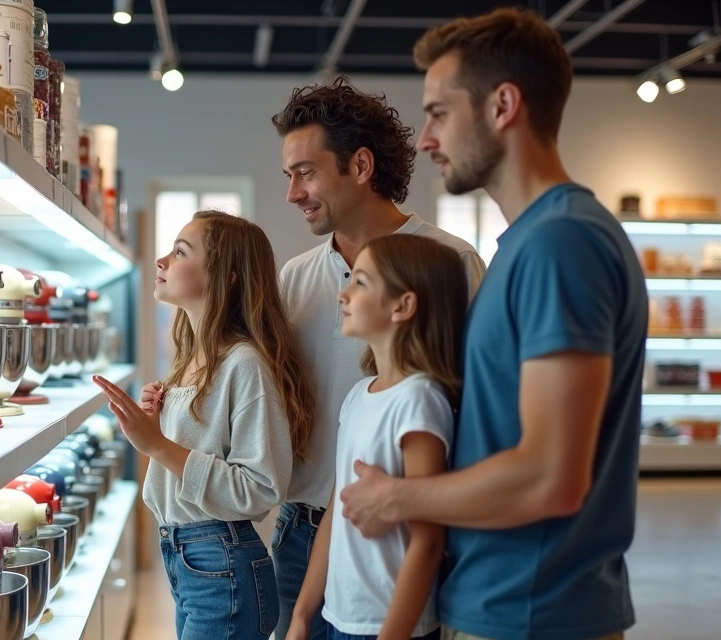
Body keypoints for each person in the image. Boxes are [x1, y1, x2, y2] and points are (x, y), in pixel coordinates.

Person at [337, 8, 646, 640]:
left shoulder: (561, 245)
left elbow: (551, 476)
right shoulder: (524, 247)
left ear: (503, 105)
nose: (425, 139)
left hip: (533, 611)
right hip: (507, 602)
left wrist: (396, 499)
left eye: (440, 113)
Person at [270, 76, 485, 640]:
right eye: (289, 176)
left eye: (306, 172)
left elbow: (480, 408)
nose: (293, 193)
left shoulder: (453, 264)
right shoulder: (295, 278)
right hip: (304, 537)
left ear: (360, 166)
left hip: (403, 542)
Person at [92, 210, 315, 640]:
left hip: (222, 565)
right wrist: (155, 432)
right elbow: (188, 456)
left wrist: (158, 446)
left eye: (179, 252)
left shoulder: (244, 365)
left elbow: (261, 489)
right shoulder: (190, 361)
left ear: (227, 278)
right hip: (189, 561)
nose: (161, 261)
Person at [287, 234, 467, 640]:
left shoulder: (419, 400)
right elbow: (336, 511)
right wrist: (302, 614)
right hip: (337, 617)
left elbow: (428, 539)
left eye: (361, 282)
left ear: (404, 305)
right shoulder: (357, 396)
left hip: (389, 626)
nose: (342, 295)